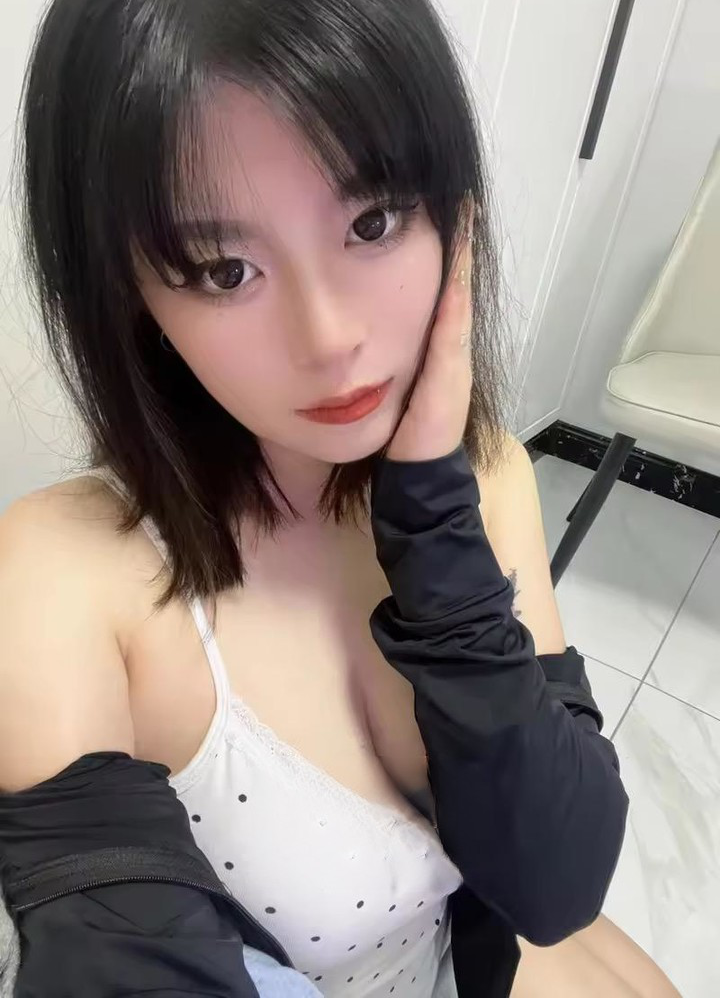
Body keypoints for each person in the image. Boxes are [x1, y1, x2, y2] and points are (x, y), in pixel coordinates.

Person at [0, 1, 681, 996]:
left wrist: (435, 515)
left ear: (455, 216)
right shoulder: (61, 577)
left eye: (373, 222)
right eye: (224, 270)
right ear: (128, 296)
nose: (328, 338)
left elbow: (555, 888)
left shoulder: (486, 474)